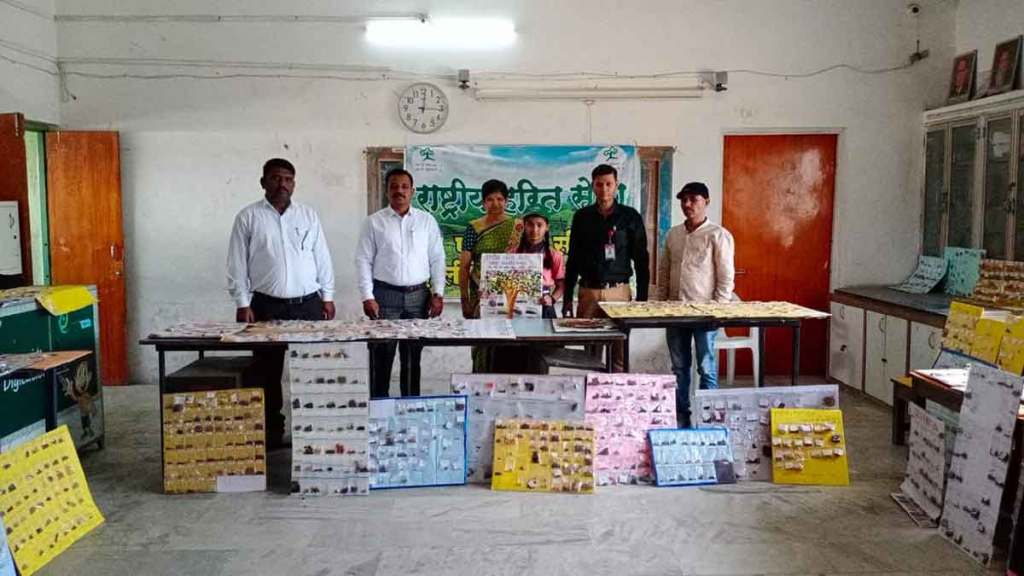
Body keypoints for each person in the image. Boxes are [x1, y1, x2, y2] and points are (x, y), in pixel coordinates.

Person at [227, 158, 336, 446]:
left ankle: (309, 432)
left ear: (294, 183)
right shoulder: (248, 217)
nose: (282, 184)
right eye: (276, 178)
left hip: (308, 305)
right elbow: (236, 263)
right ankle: (272, 431)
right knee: (267, 371)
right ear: (263, 182)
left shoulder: (308, 216)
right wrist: (242, 301)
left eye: (288, 179)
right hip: (266, 305)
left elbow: (322, 258)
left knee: (311, 370)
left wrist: (328, 296)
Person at [355, 168, 445, 398]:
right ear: (387, 190)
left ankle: (410, 408)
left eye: (404, 186)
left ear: (412, 191)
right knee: (381, 357)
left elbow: (437, 258)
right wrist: (368, 296)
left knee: (412, 358)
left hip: (418, 297)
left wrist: (438, 293)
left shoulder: (426, 221)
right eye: (394, 186)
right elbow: (363, 260)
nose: (399, 191)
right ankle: (378, 407)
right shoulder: (374, 223)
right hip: (385, 296)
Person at [656, 181, 735, 427]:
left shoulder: (718, 235)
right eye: (684, 200)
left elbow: (725, 277)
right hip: (675, 311)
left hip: (705, 313)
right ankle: (682, 415)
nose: (687, 205)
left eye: (694, 200)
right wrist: (661, 305)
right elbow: (664, 270)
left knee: (706, 368)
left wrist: (717, 310)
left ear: (706, 202)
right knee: (679, 367)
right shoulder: (673, 234)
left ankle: (708, 418)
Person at [562, 164, 649, 371]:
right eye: (599, 184)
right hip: (588, 293)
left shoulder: (630, 216)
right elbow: (573, 258)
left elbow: (641, 258)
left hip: (619, 293)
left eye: (609, 184)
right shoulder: (582, 217)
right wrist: (567, 298)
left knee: (619, 352)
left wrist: (642, 299)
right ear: (592, 187)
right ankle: (592, 400)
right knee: (590, 354)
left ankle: (616, 399)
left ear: (616, 185)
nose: (604, 189)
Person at [458, 179, 523, 371]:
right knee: (482, 343)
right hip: (481, 296)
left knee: (512, 345)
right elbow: (464, 266)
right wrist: (465, 300)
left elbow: (525, 261)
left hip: (513, 297)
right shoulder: (474, 228)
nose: (495, 204)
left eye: (500, 199)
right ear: (483, 202)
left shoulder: (518, 226)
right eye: (490, 199)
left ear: (507, 201)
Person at [515, 212, 565, 319]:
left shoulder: (554, 255)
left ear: (546, 227)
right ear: (524, 226)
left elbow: (561, 285)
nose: (534, 229)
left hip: (544, 306)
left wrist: (552, 299)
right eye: (530, 224)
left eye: (539, 225)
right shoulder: (512, 254)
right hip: (516, 306)